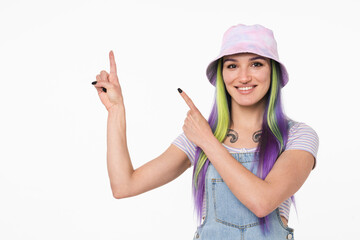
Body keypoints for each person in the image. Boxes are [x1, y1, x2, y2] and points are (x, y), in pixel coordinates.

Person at [92, 24, 319, 240]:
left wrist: (208, 142)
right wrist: (115, 110)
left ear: (273, 72)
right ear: (222, 75)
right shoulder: (199, 135)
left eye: (256, 64)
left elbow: (262, 202)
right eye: (232, 66)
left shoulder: (297, 136)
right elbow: (124, 186)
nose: (243, 77)